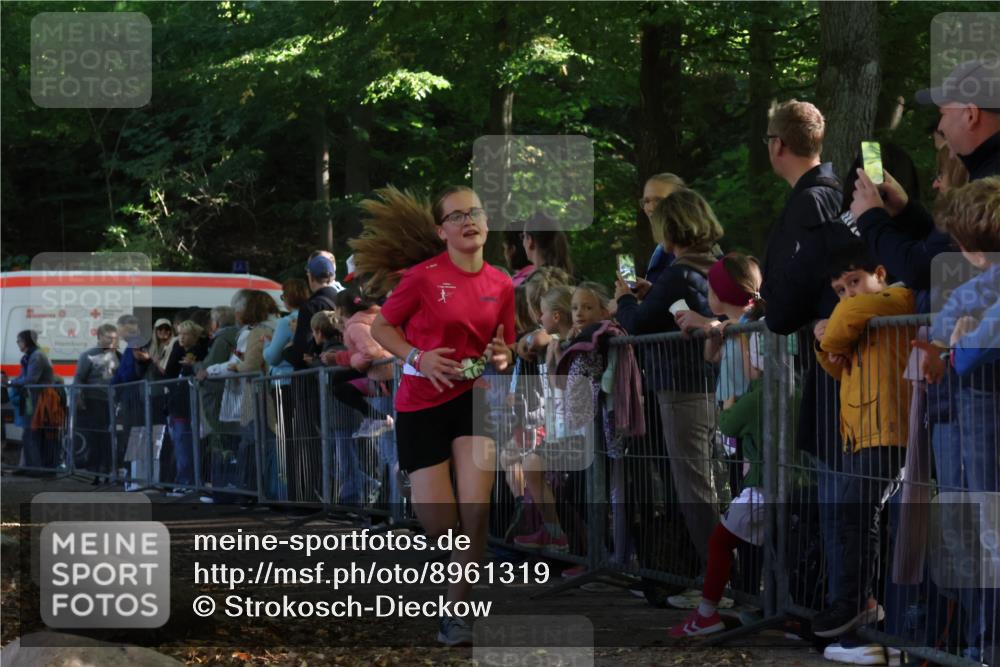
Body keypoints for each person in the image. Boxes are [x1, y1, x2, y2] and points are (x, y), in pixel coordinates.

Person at [360, 185, 514, 646]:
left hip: (473, 399)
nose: (469, 220)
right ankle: (456, 586)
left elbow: (503, 347)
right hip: (421, 405)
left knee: (475, 510)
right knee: (442, 525)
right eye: (457, 215)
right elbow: (382, 327)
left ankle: (456, 612)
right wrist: (418, 357)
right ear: (441, 229)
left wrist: (502, 356)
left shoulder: (502, 283)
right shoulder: (423, 278)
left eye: (477, 212)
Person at [810, 240, 916, 638]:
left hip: (887, 429)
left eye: (855, 281)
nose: (848, 294)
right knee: (851, 515)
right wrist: (826, 344)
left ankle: (856, 602)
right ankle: (860, 602)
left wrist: (830, 328)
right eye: (840, 289)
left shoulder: (896, 299)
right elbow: (839, 369)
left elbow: (850, 312)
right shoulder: (857, 320)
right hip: (859, 432)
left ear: (880, 275)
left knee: (857, 514)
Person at [914, 178, 1000, 663]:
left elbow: (964, 352)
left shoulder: (987, 282)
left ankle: (987, 645)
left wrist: (959, 342)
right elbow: (947, 332)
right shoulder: (979, 286)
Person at [615, 187, 724, 568]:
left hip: (681, 388)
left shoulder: (678, 274)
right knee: (712, 483)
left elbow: (641, 325)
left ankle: (718, 580)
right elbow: (677, 309)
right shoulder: (712, 267)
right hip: (712, 386)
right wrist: (652, 293)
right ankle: (726, 577)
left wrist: (626, 300)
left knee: (694, 487)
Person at [163, 320, 210, 490]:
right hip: (179, 406)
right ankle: (184, 480)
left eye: (185, 334)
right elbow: (169, 374)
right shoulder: (179, 350)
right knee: (182, 444)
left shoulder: (199, 352)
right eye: (179, 334)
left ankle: (190, 481)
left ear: (195, 336)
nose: (181, 338)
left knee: (189, 445)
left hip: (193, 406)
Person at [72, 323, 121, 476]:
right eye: (108, 338)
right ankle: (95, 465)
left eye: (114, 338)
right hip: (93, 399)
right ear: (99, 337)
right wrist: (78, 397)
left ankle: (106, 465)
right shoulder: (88, 355)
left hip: (111, 401)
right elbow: (79, 377)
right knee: (94, 434)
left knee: (107, 434)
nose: (112, 341)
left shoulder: (119, 356)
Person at [6, 330, 56, 468]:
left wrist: (11, 383)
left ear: (26, 341)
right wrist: (11, 381)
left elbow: (30, 379)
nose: (17, 344)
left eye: (19, 341)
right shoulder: (29, 356)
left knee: (32, 434)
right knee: (28, 434)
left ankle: (36, 468)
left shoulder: (36, 356)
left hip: (39, 399)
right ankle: (29, 466)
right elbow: (23, 376)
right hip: (32, 399)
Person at [289, 251, 344, 370]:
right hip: (345, 370)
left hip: (317, 376)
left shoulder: (310, 307)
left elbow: (301, 351)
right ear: (333, 276)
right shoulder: (344, 300)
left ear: (311, 277)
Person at [639, 172, 686, 283]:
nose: (651, 207)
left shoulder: (691, 247)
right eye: (646, 201)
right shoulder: (661, 248)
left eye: (659, 200)